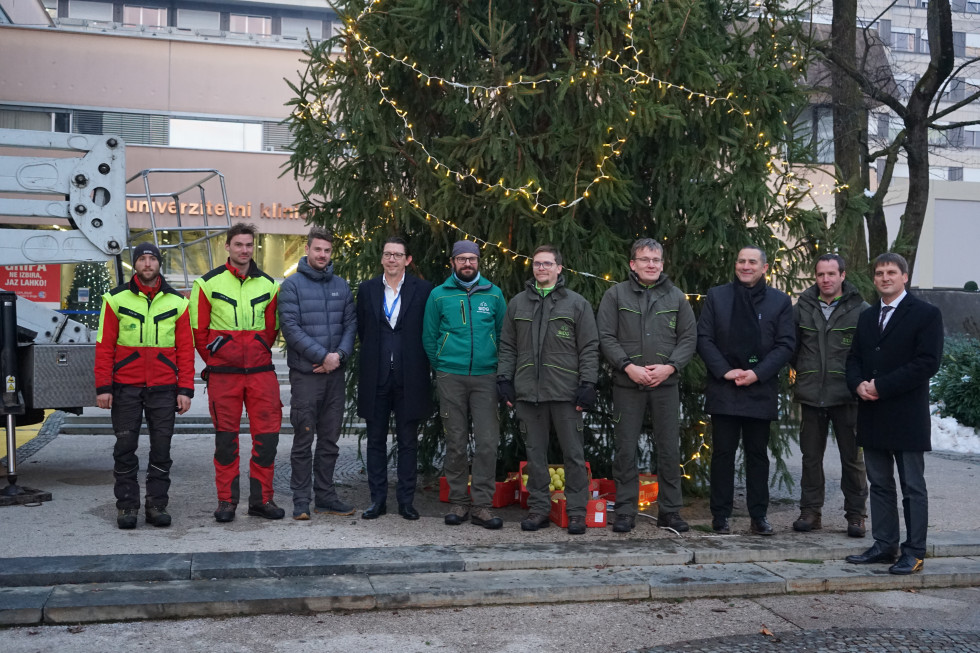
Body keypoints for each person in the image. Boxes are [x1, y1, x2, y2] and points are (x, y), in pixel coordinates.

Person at [845, 252, 943, 575]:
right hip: (872, 413)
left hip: (905, 415)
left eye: (891, 272)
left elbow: (927, 362)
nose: (884, 277)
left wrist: (881, 386)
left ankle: (913, 551)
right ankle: (884, 544)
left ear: (904, 276)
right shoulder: (867, 316)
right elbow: (854, 357)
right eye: (879, 273)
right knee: (880, 484)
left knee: (912, 486)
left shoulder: (926, 314)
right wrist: (858, 383)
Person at [596, 238, 697, 534]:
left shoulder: (677, 297)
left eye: (656, 260)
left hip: (666, 384)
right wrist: (628, 367)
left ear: (662, 264)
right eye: (645, 260)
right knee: (625, 449)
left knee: (668, 449)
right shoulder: (615, 295)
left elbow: (688, 338)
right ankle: (626, 511)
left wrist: (670, 367)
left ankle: (670, 511)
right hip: (627, 385)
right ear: (633, 264)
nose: (651, 264)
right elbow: (605, 336)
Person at [497, 245, 599, 535]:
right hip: (529, 393)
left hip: (567, 393)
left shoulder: (576, 304)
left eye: (547, 264)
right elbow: (507, 346)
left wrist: (588, 384)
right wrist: (504, 379)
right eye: (537, 263)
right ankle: (539, 509)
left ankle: (577, 511)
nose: (541, 268)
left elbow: (589, 347)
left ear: (559, 269)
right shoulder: (517, 304)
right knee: (535, 456)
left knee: (574, 456)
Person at [696, 245, 795, 536]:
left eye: (752, 262)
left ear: (764, 268)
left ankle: (758, 516)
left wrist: (757, 373)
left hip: (759, 388)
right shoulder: (717, 296)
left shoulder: (780, 301)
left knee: (757, 455)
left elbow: (786, 344)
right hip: (724, 385)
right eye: (741, 261)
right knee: (722, 454)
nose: (746, 266)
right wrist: (725, 370)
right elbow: (704, 337)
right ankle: (720, 515)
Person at [95, 242, 194, 529]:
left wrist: (185, 390)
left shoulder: (178, 302)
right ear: (135, 264)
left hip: (164, 388)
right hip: (126, 386)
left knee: (161, 449)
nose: (148, 264)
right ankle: (127, 508)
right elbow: (104, 347)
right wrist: (104, 387)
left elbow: (186, 351)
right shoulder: (115, 300)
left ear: (159, 263)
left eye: (152, 258)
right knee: (125, 448)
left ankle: (156, 506)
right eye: (142, 259)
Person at [190, 222, 283, 522]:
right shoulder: (206, 284)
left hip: (260, 374)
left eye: (249, 245)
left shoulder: (269, 285)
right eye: (238, 244)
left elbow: (272, 330)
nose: (244, 250)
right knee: (226, 442)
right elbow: (198, 332)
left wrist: (254, 349)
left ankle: (261, 500)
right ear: (227, 247)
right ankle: (226, 502)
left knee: (267, 440)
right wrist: (219, 359)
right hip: (224, 376)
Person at [422, 240, 507, 529]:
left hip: (486, 377)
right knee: (456, 442)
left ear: (479, 261)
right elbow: (429, 337)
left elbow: (503, 335)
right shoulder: (438, 295)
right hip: (451, 377)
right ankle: (459, 502)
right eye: (462, 259)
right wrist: (443, 366)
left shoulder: (494, 294)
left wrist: (496, 368)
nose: (468, 264)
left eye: (472, 259)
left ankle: (482, 505)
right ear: (453, 262)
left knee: (487, 443)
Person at [278, 227, 357, 520]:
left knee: (329, 440)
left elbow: (350, 326)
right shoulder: (292, 286)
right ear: (307, 250)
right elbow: (291, 329)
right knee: (303, 438)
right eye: (317, 250)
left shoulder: (342, 286)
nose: (322, 255)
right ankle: (301, 500)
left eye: (327, 250)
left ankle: (325, 496)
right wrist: (322, 356)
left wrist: (338, 357)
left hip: (334, 377)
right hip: (306, 376)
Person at [791, 253, 869, 537]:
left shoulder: (860, 309)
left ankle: (856, 514)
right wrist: (806, 372)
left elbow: (867, 353)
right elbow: (793, 348)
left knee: (852, 458)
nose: (826, 279)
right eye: (821, 274)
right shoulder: (802, 308)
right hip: (812, 395)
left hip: (847, 395)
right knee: (810, 456)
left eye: (831, 274)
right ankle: (811, 512)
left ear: (842, 275)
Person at [356, 237, 434, 521]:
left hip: (409, 376)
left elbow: (429, 330)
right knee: (375, 441)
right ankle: (377, 501)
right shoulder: (366, 290)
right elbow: (364, 331)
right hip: (376, 376)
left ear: (407, 260)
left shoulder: (424, 290)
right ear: (382, 259)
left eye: (397, 255)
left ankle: (406, 501)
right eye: (387, 254)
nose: (392, 259)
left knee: (408, 442)